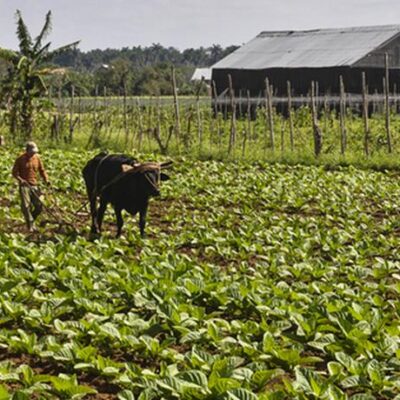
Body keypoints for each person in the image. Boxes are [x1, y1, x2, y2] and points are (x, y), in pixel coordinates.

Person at [12, 141, 50, 232]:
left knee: (39, 206)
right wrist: (21, 180)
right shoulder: (20, 159)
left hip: (34, 184)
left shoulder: (37, 158)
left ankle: (30, 220)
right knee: (25, 206)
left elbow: (42, 170)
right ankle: (30, 224)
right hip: (24, 186)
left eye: (34, 152)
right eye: (32, 152)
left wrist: (46, 180)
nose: (33, 153)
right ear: (27, 150)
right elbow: (14, 173)